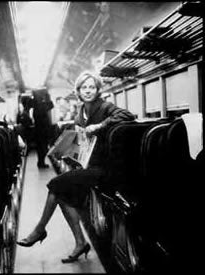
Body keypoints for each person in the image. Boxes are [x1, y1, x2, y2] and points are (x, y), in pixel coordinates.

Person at [17, 71, 135, 263]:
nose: (88, 91)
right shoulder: (81, 113)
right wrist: (67, 152)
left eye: (92, 87)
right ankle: (80, 242)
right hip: (89, 166)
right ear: (78, 91)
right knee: (62, 195)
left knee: (55, 185)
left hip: (105, 169)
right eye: (84, 87)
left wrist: (100, 126)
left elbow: (126, 114)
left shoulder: (105, 107)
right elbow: (82, 145)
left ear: (98, 90)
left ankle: (39, 229)